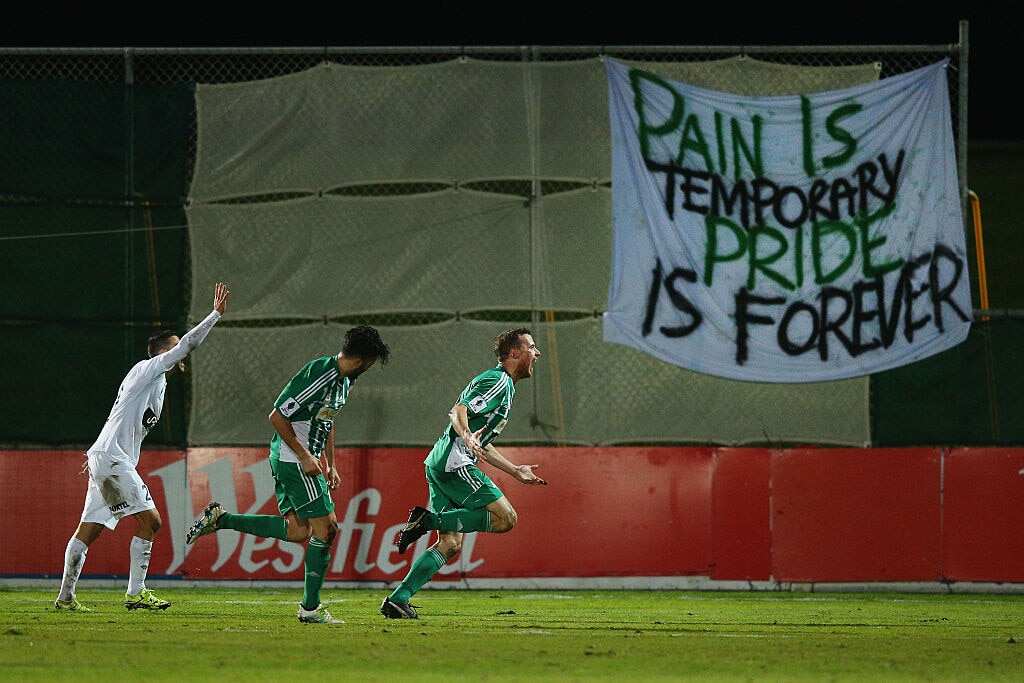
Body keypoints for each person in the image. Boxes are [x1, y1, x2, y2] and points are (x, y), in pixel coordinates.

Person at [186, 326, 391, 624]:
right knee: (328, 529)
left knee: (298, 531)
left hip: (302, 460)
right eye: (372, 363)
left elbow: (327, 420)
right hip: (292, 460)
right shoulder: (320, 373)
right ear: (364, 359)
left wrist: (329, 462)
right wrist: (305, 455)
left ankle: (222, 519)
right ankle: (309, 609)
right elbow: (277, 416)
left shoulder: (344, 382)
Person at [54, 282, 230, 612]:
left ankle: (65, 597)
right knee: (152, 522)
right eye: (175, 348)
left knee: (88, 531)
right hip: (112, 459)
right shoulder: (147, 369)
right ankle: (136, 593)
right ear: (164, 352)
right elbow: (188, 344)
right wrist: (215, 315)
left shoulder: (155, 382)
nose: (183, 353)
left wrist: (98, 456)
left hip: (106, 458)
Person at [380, 328, 547, 619]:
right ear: (515, 353)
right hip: (454, 464)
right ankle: (428, 519)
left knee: (450, 543)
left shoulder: (503, 385)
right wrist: (468, 435)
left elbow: (484, 443)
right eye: (532, 347)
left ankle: (398, 599)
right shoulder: (498, 380)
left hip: (440, 463)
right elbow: (458, 410)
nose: (537, 353)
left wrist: (515, 470)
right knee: (506, 518)